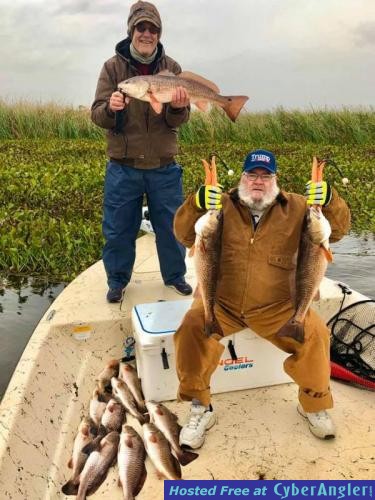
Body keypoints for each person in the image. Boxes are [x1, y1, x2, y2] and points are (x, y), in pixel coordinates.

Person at [173, 149, 351, 449]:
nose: (258, 181)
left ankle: (313, 404)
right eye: (252, 174)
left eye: (265, 175)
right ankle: (200, 407)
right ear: (242, 178)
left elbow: (339, 231)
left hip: (278, 305)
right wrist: (195, 204)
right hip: (223, 302)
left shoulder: (297, 206)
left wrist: (331, 200)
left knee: (316, 334)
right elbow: (184, 234)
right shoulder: (221, 204)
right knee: (192, 327)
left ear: (275, 179)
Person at [91, 1, 192, 303]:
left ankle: (175, 277)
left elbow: (180, 119)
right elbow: (97, 114)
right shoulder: (113, 68)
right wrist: (110, 108)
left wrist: (179, 106)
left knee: (172, 226)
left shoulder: (172, 68)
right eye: (141, 28)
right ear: (131, 30)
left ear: (159, 34)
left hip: (164, 165)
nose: (147, 33)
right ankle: (117, 282)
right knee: (118, 229)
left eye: (153, 29)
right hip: (124, 166)